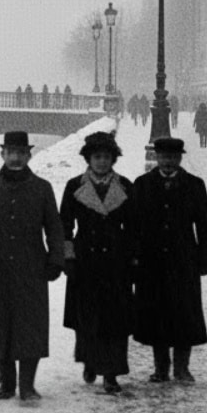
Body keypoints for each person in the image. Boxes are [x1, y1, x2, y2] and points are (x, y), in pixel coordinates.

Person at [0, 131, 65, 402]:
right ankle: (6, 382)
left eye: (21, 153)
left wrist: (55, 260)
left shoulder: (42, 188)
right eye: (11, 152)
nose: (15, 158)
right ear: (2, 154)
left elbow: (54, 228)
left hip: (32, 267)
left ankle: (27, 385)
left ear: (29, 155)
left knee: (30, 325)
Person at [59, 131, 136, 394]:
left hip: (116, 261)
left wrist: (133, 258)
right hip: (85, 261)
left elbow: (135, 227)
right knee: (87, 317)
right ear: (88, 159)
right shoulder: (74, 186)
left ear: (113, 159)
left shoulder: (125, 186)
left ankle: (112, 373)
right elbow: (64, 224)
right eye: (97, 157)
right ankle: (90, 361)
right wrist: (68, 256)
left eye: (106, 157)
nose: (102, 162)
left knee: (116, 320)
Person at [133, 137, 207, 383]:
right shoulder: (143, 184)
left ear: (179, 158)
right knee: (156, 313)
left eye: (173, 157)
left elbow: (204, 224)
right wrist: (134, 257)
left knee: (184, 313)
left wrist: (206, 258)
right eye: (164, 157)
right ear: (156, 158)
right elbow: (134, 224)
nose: (168, 161)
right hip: (152, 260)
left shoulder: (194, 185)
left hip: (183, 260)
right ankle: (161, 368)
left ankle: (182, 368)